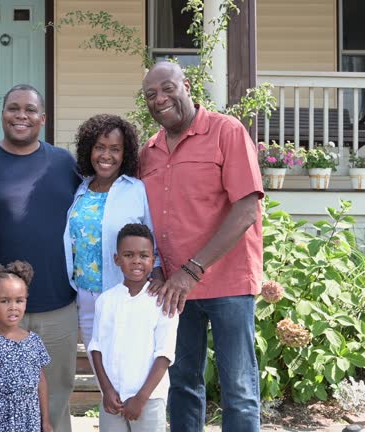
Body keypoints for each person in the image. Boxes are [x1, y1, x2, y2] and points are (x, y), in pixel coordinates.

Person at [138, 61, 264, 432]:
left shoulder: (227, 131)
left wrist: (191, 271)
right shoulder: (150, 151)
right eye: (150, 95)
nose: (159, 99)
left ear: (187, 85)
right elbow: (146, 217)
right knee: (182, 383)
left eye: (166, 88)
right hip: (174, 293)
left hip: (228, 284)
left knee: (238, 386)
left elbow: (246, 210)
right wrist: (160, 271)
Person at [0, 84, 80, 432]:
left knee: (55, 398)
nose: (21, 116)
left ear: (42, 119)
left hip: (57, 304)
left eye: (30, 110)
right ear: (2, 114)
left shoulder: (63, 163)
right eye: (13, 108)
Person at [63, 114, 161, 349]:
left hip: (126, 293)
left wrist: (157, 275)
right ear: (89, 150)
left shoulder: (136, 190)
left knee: (126, 366)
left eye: (115, 149)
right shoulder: (81, 189)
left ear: (124, 154)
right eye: (99, 148)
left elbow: (152, 239)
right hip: (85, 297)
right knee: (99, 368)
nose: (106, 156)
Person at [89, 223, 178, 432]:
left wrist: (141, 398)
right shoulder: (106, 301)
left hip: (148, 399)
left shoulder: (163, 301)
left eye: (144, 255)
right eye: (128, 255)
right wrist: (107, 391)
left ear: (152, 260)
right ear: (117, 259)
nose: (136, 261)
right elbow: (96, 348)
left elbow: (164, 354)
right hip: (113, 400)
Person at [0, 260, 52, 432]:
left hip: (31, 421)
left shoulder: (34, 341)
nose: (13, 307)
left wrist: (45, 421)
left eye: (19, 301)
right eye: (5, 301)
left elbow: (41, 383)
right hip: (2, 422)